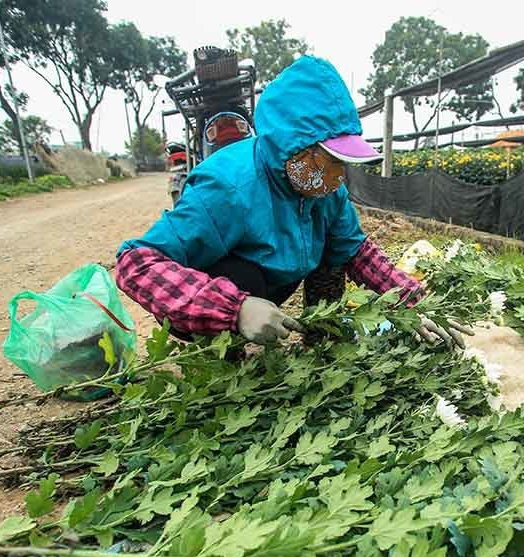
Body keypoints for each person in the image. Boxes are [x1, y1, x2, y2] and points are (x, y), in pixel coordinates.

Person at [115, 56, 468, 347]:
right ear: (292, 148)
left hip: (276, 281)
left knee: (334, 252)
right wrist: (233, 309)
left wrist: (417, 302)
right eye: (330, 159)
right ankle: (221, 354)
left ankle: (321, 341)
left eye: (343, 163)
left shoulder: (325, 191)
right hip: (224, 294)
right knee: (241, 276)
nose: (338, 176)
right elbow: (136, 263)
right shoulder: (227, 189)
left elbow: (358, 252)